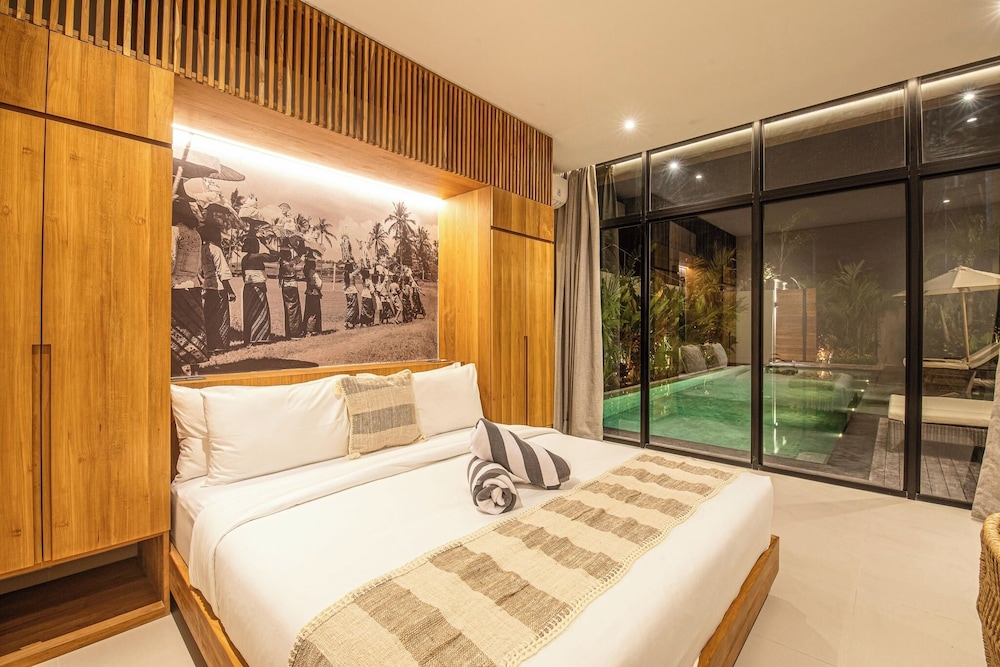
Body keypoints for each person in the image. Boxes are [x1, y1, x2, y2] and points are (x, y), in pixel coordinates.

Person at [170, 197, 208, 375]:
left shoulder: (175, 231)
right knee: (194, 327)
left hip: (177, 285)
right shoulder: (196, 234)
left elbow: (171, 258)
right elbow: (198, 263)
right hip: (194, 284)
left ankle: (179, 366)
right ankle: (194, 366)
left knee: (178, 328)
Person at [199, 211, 236, 353]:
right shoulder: (216, 250)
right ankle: (220, 345)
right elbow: (223, 273)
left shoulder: (201, 249)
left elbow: (200, 271)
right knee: (221, 318)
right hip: (219, 288)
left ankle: (209, 344)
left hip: (207, 287)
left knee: (209, 317)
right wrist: (230, 291)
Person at [240, 232, 276, 345]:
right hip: (258, 287)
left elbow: (243, 276)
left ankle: (249, 338)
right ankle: (260, 337)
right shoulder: (258, 257)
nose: (259, 247)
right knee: (261, 312)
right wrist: (266, 243)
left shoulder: (244, 259)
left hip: (248, 288)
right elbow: (276, 256)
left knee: (249, 313)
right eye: (258, 245)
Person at [278, 247, 304, 339]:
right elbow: (301, 252)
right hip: (293, 285)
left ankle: (289, 332)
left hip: (285, 286)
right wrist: (296, 246)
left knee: (287, 308)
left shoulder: (281, 263)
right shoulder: (292, 262)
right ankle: (296, 332)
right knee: (295, 308)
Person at [303, 257, 323, 335]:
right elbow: (319, 285)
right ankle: (312, 329)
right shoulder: (314, 274)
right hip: (314, 294)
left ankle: (306, 328)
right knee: (314, 312)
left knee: (308, 311)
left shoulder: (306, 272)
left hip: (309, 293)